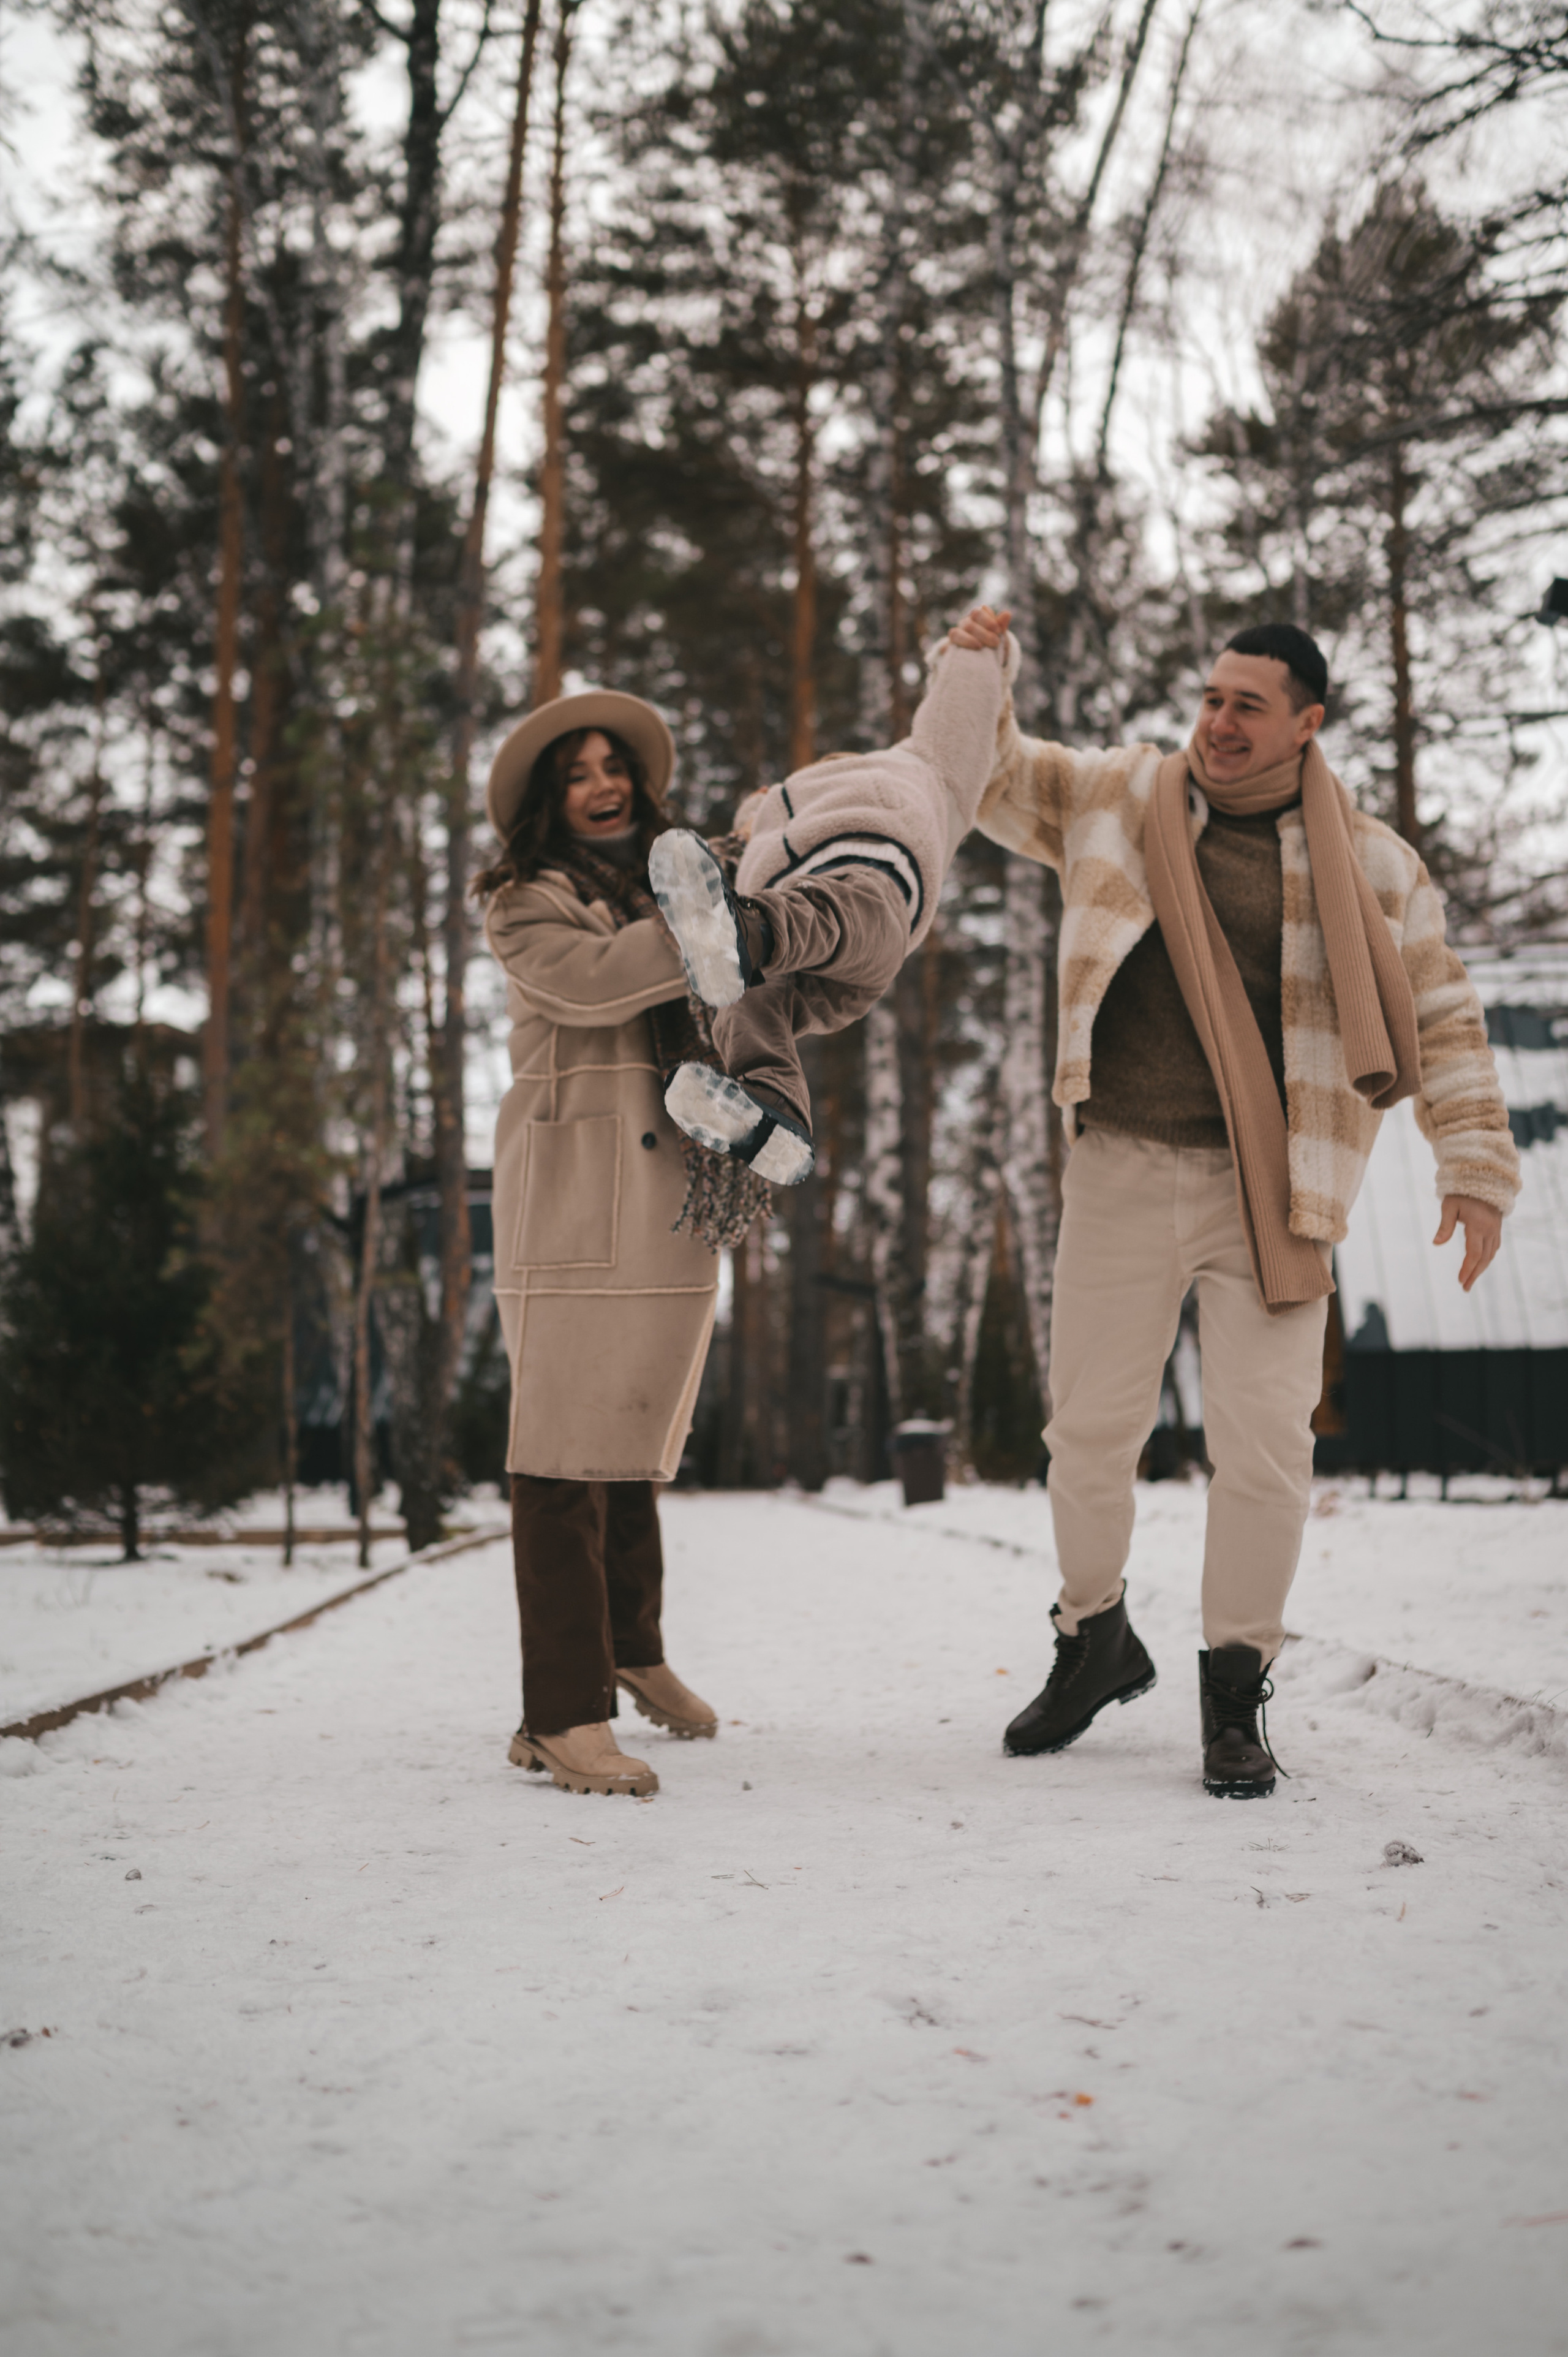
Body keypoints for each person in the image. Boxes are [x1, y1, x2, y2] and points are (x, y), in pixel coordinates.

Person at [976, 622, 1520, 1798]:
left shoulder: (1375, 866)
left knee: (1266, 1451)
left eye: (1249, 708)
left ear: (1308, 724)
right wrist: (975, 672)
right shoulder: (1121, 797)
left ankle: (1234, 1695)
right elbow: (993, 773)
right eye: (1212, 698)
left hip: (1277, 1186)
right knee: (1086, 1437)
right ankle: (1095, 1637)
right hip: (1119, 1164)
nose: (1219, 725)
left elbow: (1443, 1015)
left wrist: (1473, 1165)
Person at [478, 690, 769, 1798]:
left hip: (670, 1193)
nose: (603, 785)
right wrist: (727, 905)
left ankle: (630, 1649)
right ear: (548, 804)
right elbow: (596, 984)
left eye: (614, 767)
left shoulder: (673, 880)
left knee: (635, 1422)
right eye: (577, 774)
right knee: (561, 1448)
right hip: (576, 1201)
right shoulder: (525, 903)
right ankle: (560, 1713)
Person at [647, 605, 1016, 1181]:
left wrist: (974, 655)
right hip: (806, 966)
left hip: (874, 894)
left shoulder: (924, 767)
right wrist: (751, 819)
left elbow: (958, 720)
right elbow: (733, 844)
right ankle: (773, 1111)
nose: (821, 772)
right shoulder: (766, 823)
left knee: (820, 913)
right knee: (747, 1000)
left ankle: (742, 934)